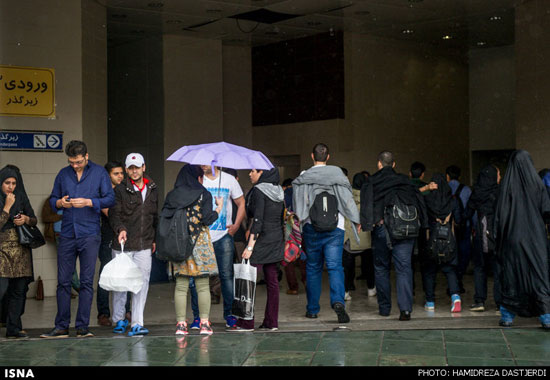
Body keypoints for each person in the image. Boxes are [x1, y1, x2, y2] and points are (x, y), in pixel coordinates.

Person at [41, 140, 115, 339]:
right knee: (63, 282)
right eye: (71, 162)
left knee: (86, 281)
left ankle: (82, 327)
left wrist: (90, 202)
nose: (75, 165)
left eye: (78, 162)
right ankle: (61, 326)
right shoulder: (63, 174)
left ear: (86, 156)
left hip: (90, 233)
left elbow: (110, 199)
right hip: (66, 233)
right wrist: (60, 202)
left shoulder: (99, 174)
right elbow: (52, 200)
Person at [292, 143, 361, 323]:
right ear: (328, 157)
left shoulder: (304, 177)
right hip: (335, 228)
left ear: (312, 156)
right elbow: (347, 200)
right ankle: (338, 302)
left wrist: (298, 221)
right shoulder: (337, 175)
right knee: (335, 266)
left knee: (313, 268)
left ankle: (312, 309)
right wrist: (355, 220)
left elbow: (299, 204)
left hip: (311, 227)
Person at [360, 151, 428, 321]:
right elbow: (418, 201)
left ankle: (384, 309)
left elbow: (367, 204)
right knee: (404, 268)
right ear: (394, 164)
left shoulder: (372, 181)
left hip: (382, 229)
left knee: (381, 268)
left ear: (379, 164)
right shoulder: (405, 180)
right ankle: (405, 310)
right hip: (405, 229)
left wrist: (368, 224)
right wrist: (424, 226)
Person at [163, 165, 222, 335]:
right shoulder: (204, 194)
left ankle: (181, 325)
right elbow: (208, 219)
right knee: (202, 286)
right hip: (200, 244)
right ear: (197, 178)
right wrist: (218, 207)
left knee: (181, 286)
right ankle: (204, 324)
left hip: (178, 243)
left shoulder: (173, 195)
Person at [494, 150, 550, 328]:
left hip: (512, 238)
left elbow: (499, 215)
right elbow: (546, 211)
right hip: (536, 238)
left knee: (511, 276)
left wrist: (499, 238)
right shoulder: (537, 185)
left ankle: (507, 317)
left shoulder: (506, 186)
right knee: (538, 276)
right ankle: (546, 316)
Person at [109, 153, 158, 337]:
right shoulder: (120, 190)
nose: (134, 171)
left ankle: (137, 323)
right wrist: (120, 229)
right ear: (127, 170)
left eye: (137, 167)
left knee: (141, 283)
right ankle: (120, 319)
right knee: (121, 284)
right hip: (123, 243)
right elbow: (114, 214)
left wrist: (154, 239)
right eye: (131, 168)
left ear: (144, 167)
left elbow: (154, 217)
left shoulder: (152, 188)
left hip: (144, 243)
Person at [232, 167, 285, 332]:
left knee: (248, 281)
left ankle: (247, 322)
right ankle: (271, 322)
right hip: (276, 239)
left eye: (253, 171)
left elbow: (258, 220)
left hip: (261, 241)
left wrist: (249, 246)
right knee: (272, 282)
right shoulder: (278, 192)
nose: (249, 174)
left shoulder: (260, 191)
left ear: (262, 173)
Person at [200, 165, 246, 329]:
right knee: (200, 278)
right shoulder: (198, 179)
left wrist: (236, 224)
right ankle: (200, 317)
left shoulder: (229, 180)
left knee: (226, 276)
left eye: (206, 161)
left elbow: (241, 203)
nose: (202, 164)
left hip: (224, 235)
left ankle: (230, 315)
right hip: (202, 236)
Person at [0, 166, 37, 339]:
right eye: (7, 183)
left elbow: (34, 219)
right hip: (2, 250)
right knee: (2, 288)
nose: (11, 187)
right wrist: (7, 208)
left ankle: (13, 328)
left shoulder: (20, 196)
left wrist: (26, 219)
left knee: (19, 291)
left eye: (14, 183)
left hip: (21, 250)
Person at [421, 173, 463, 313]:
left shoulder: (427, 200)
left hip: (431, 240)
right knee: (450, 270)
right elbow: (459, 219)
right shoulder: (453, 201)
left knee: (429, 272)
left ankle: (430, 301)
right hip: (449, 240)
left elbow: (422, 220)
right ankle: (455, 297)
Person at [464, 164, 502, 312]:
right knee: (498, 269)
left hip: (480, 235)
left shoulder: (477, 193)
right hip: (497, 236)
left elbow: (467, 213)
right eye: (498, 175)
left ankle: (480, 301)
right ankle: (500, 303)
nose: (500, 178)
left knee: (480, 268)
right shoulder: (500, 193)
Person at [96, 161, 126, 327]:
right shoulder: (104, 193)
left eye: (121, 173)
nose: (120, 176)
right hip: (108, 236)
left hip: (124, 237)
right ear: (108, 176)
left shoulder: (126, 191)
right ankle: (103, 313)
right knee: (105, 274)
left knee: (125, 273)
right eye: (116, 173)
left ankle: (126, 310)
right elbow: (110, 213)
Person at [343, 172, 375, 300]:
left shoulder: (346, 196)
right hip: (365, 236)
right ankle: (371, 288)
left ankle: (346, 290)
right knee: (368, 265)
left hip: (349, 236)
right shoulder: (369, 196)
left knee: (346, 266)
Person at [446, 165, 472, 294]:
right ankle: (459, 278)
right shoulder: (466, 190)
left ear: (447, 176)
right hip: (464, 226)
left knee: (450, 254)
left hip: (448, 228)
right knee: (464, 254)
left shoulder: (444, 189)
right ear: (460, 176)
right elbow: (471, 209)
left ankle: (452, 282)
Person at [282, 177, 306, 295]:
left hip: (288, 230)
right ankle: (306, 282)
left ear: (284, 187)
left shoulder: (283, 195)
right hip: (302, 229)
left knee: (288, 259)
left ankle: (293, 287)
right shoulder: (301, 193)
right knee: (303, 258)